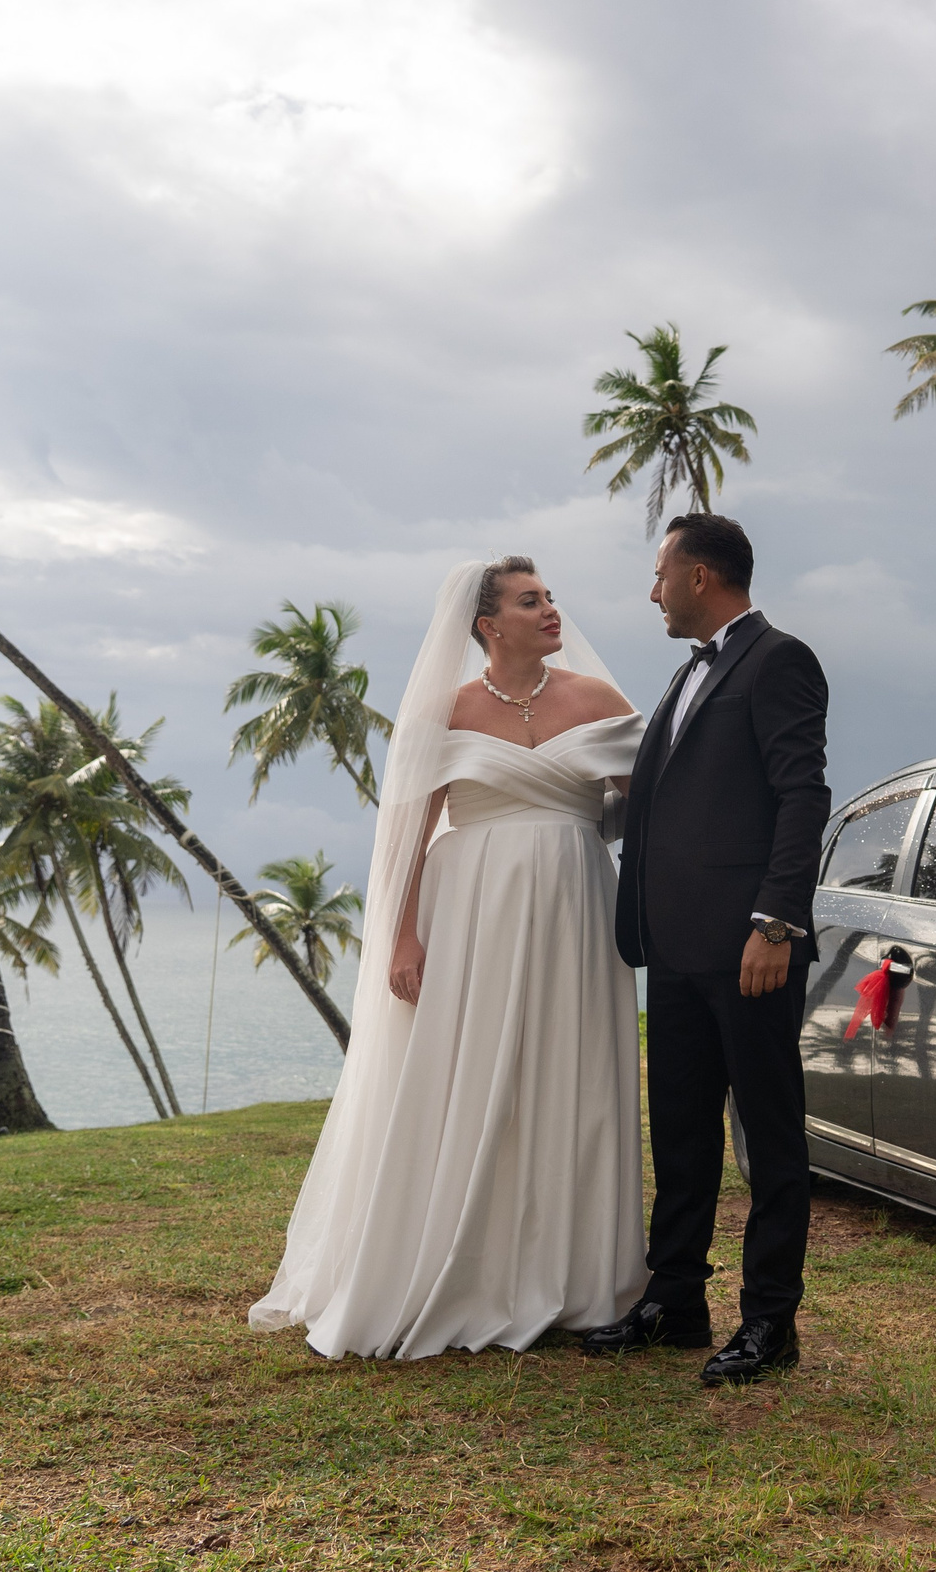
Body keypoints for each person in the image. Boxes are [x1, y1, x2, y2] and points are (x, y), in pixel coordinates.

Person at [250, 557, 647, 1357]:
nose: (550, 610)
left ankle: (577, 1275)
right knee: (470, 1073)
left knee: (573, 1074)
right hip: (470, 914)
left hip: (576, 908)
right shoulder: (447, 711)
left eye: (550, 597)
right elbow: (408, 836)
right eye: (530, 601)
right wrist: (402, 937)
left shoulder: (599, 701)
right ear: (487, 625)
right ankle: (461, 1268)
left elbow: (648, 808)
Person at [584, 513, 830, 1384]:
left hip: (751, 949)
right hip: (679, 950)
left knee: (769, 1139)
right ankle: (676, 1301)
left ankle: (770, 1322)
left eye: (661, 574)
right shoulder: (688, 674)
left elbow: (802, 796)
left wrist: (775, 923)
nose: (651, 591)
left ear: (699, 575)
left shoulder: (780, 660)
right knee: (682, 1134)